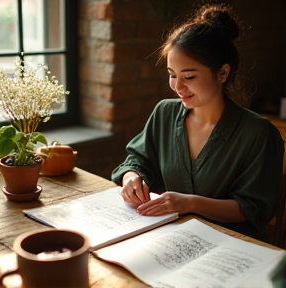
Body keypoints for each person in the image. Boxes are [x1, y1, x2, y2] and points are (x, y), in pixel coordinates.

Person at [111, 3, 284, 242]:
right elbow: (138, 160)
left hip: (233, 247)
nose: (178, 87)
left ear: (222, 73)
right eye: (172, 75)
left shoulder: (258, 133)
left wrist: (190, 203)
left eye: (189, 77)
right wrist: (131, 177)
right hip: (169, 239)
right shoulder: (164, 113)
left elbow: (255, 208)